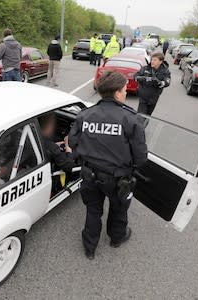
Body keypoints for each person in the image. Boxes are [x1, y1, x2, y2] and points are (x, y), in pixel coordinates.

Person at [68, 71, 148, 260]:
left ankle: (90, 248)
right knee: (119, 209)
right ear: (118, 93)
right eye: (125, 90)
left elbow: (72, 143)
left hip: (89, 175)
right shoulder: (131, 119)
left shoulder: (84, 115)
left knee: (93, 210)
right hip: (117, 179)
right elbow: (141, 158)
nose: (126, 93)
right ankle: (116, 238)